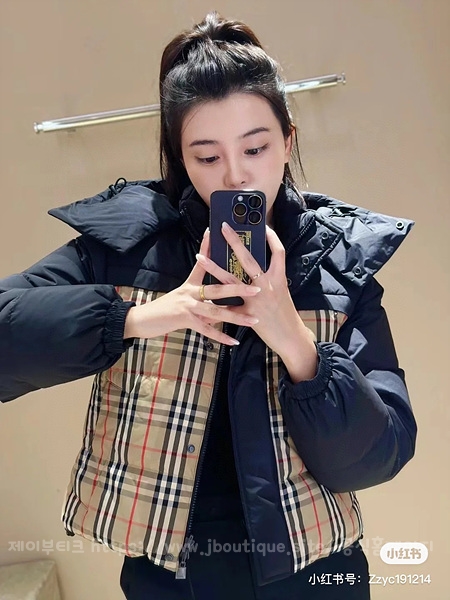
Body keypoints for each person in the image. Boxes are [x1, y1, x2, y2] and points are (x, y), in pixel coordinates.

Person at [0, 11, 416, 600]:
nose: (236, 176)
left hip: (318, 575)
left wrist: (294, 340)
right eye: (206, 156)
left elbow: (376, 458)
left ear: (289, 140)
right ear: (179, 157)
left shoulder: (340, 260)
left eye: (256, 147)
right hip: (170, 581)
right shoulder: (124, 248)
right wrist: (143, 315)